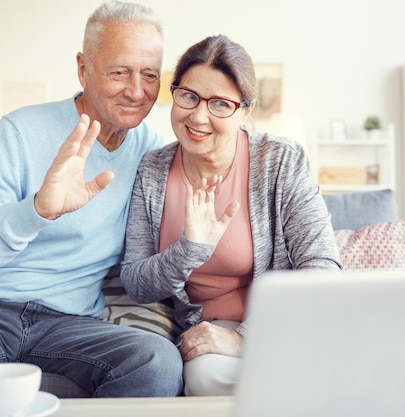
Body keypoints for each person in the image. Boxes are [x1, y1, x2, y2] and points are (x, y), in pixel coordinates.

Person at [0, 2, 183, 415]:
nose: (136, 90)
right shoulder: (19, 132)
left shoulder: (152, 153)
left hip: (70, 326)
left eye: (149, 74)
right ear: (83, 68)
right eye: (119, 72)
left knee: (158, 362)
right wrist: (37, 211)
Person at [119, 34, 342, 396]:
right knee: (207, 378)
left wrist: (243, 339)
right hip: (208, 331)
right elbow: (136, 281)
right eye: (188, 95)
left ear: (245, 112)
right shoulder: (154, 170)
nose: (199, 115)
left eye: (220, 103)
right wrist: (190, 249)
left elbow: (323, 269)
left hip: (286, 323)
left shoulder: (280, 161)